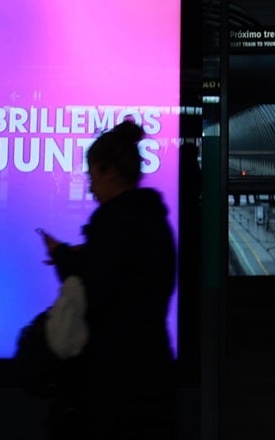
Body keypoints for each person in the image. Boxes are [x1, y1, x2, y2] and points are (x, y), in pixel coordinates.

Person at [38, 118, 176, 440]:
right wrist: (66, 256)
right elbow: (118, 269)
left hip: (116, 383)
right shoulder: (154, 221)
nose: (90, 185)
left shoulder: (113, 224)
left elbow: (98, 290)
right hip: (152, 370)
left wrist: (64, 261)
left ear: (111, 172)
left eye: (93, 174)